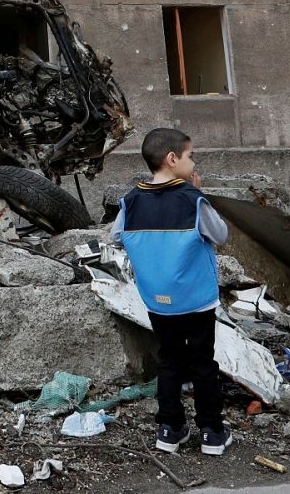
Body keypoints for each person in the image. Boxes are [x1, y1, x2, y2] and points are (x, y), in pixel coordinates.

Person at [108, 127, 232, 456]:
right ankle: (211, 433)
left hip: (157, 301)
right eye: (190, 156)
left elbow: (115, 238)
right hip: (196, 300)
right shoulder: (193, 200)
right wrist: (199, 195)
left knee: (169, 362)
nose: (193, 163)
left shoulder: (131, 201)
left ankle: (169, 429)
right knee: (203, 363)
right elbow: (220, 235)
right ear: (172, 158)